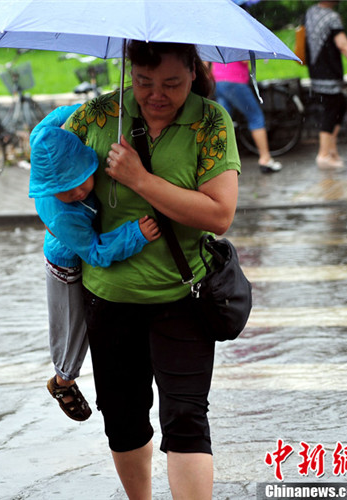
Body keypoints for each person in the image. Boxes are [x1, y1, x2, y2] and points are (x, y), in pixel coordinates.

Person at [65, 41, 241, 499]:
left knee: (185, 418)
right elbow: (48, 183)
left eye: (172, 84)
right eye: (143, 82)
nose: (156, 94)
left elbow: (219, 215)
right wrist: (74, 192)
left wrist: (140, 180)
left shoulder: (210, 123)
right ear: (128, 71)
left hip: (183, 298)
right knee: (122, 418)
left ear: (193, 71)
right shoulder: (97, 117)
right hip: (109, 299)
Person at [29, 105, 161, 422]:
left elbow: (52, 120)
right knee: (73, 329)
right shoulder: (64, 215)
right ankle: (63, 381)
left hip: (80, 244)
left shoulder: (43, 139)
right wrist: (135, 234)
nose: (77, 192)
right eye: (63, 190)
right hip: (65, 261)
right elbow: (95, 253)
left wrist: (97, 108)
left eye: (80, 181)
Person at [305, 1, 347, 169]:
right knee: (332, 109)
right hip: (329, 73)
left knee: (339, 105)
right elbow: (343, 44)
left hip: (316, 71)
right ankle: (323, 155)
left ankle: (331, 150)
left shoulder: (311, 12)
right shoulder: (332, 17)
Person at [210, 60, 283, 174]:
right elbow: (244, 59)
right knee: (255, 117)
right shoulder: (239, 41)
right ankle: (265, 159)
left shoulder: (218, 41)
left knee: (222, 123)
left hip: (219, 81)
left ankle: (215, 161)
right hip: (235, 81)